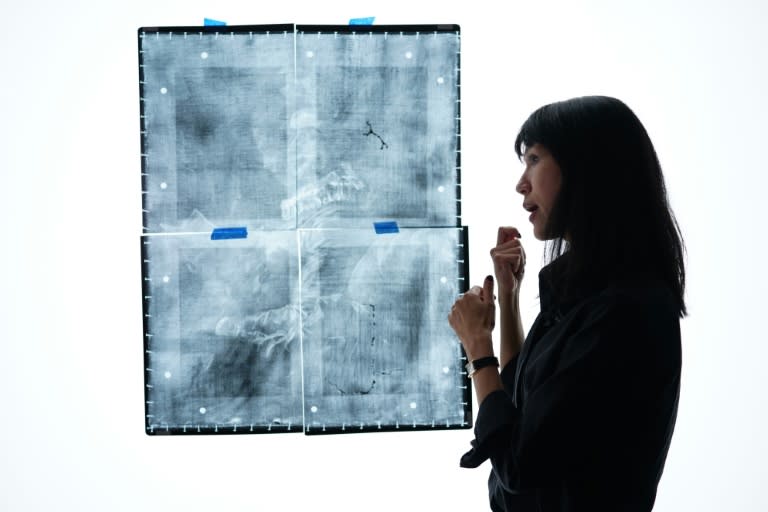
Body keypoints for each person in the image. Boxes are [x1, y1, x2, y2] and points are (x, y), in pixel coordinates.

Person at [448, 96, 686, 511]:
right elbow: (522, 397)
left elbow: (520, 462)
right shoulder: (592, 296)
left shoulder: (626, 310)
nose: (521, 183)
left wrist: (477, 346)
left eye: (534, 159)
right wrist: (508, 296)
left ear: (585, 168)